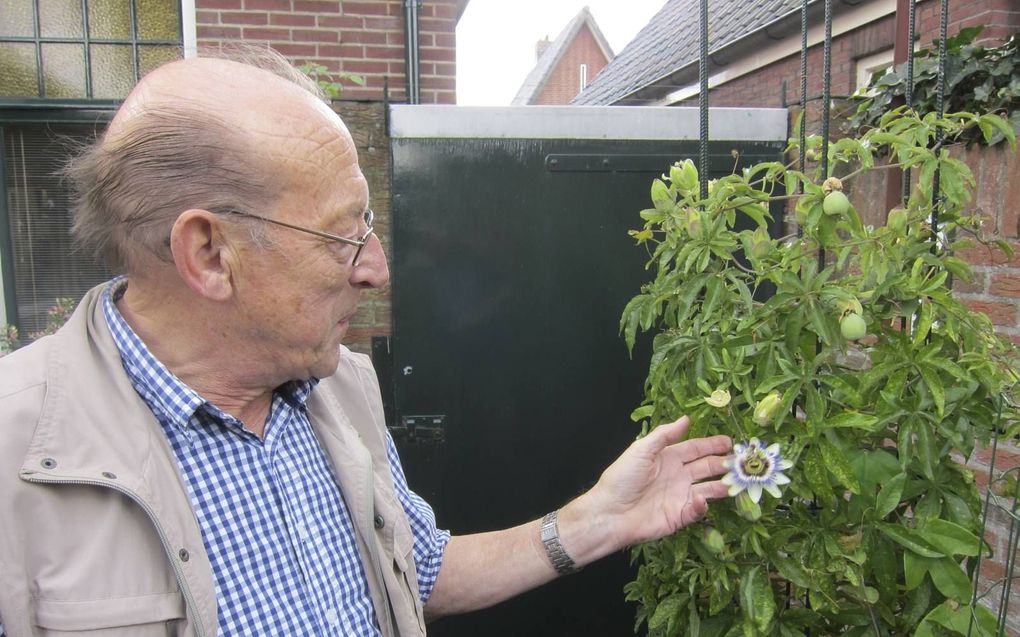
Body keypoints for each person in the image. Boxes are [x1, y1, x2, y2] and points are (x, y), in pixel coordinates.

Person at [0, 51, 732, 636]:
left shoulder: (338, 385)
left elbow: (414, 569)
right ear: (210, 254)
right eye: (344, 233)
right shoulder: (19, 456)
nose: (376, 266)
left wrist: (600, 518)